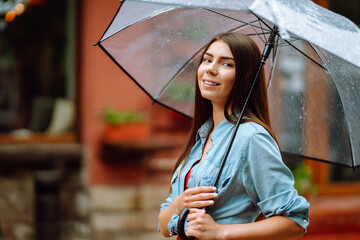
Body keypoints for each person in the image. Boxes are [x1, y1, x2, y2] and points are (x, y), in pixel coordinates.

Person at [158, 32, 310, 240]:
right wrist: (178, 204)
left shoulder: (252, 138)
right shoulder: (202, 136)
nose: (210, 69)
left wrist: (221, 232)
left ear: (245, 76)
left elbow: (294, 222)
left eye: (226, 64)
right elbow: (165, 227)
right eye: (207, 59)